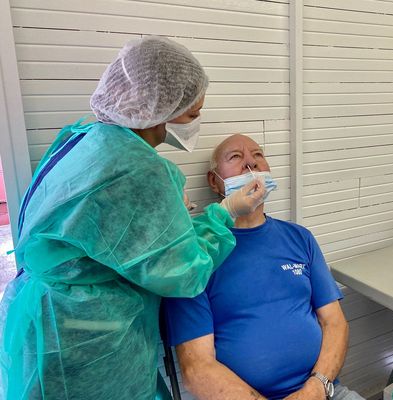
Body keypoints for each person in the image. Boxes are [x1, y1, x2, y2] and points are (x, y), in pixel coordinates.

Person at [0, 37, 265, 400]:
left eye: (258, 155)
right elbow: (184, 273)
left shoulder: (85, 138)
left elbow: (102, 230)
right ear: (157, 109)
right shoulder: (139, 170)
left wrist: (165, 218)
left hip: (44, 316)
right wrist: (225, 212)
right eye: (191, 114)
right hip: (82, 341)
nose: (251, 165)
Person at [163, 134, 365, 400]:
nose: (250, 164)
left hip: (324, 391)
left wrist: (317, 387)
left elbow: (335, 323)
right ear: (215, 181)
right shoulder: (196, 258)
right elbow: (197, 369)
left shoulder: (299, 238)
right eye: (235, 157)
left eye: (258, 155)